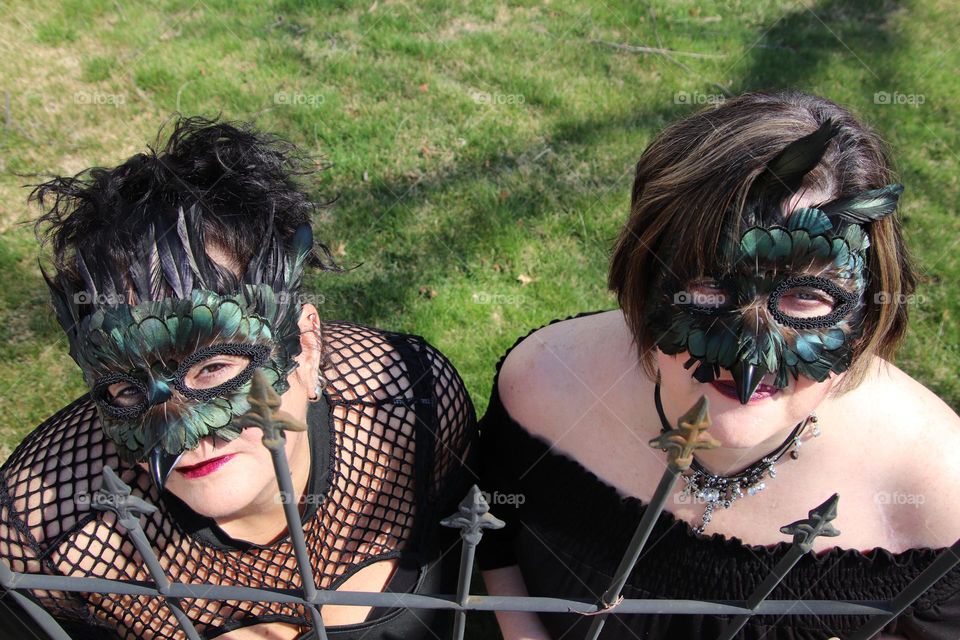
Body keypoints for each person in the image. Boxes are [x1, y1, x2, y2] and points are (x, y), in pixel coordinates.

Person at [477, 91, 960, 639]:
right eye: (708, 287)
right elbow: (492, 541)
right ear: (644, 278)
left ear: (867, 312)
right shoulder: (545, 385)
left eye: (806, 297)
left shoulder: (938, 494)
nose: (747, 360)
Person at [0, 116, 477, 639]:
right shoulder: (48, 536)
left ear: (308, 344)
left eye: (214, 368)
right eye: (129, 390)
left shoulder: (408, 407)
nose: (185, 433)